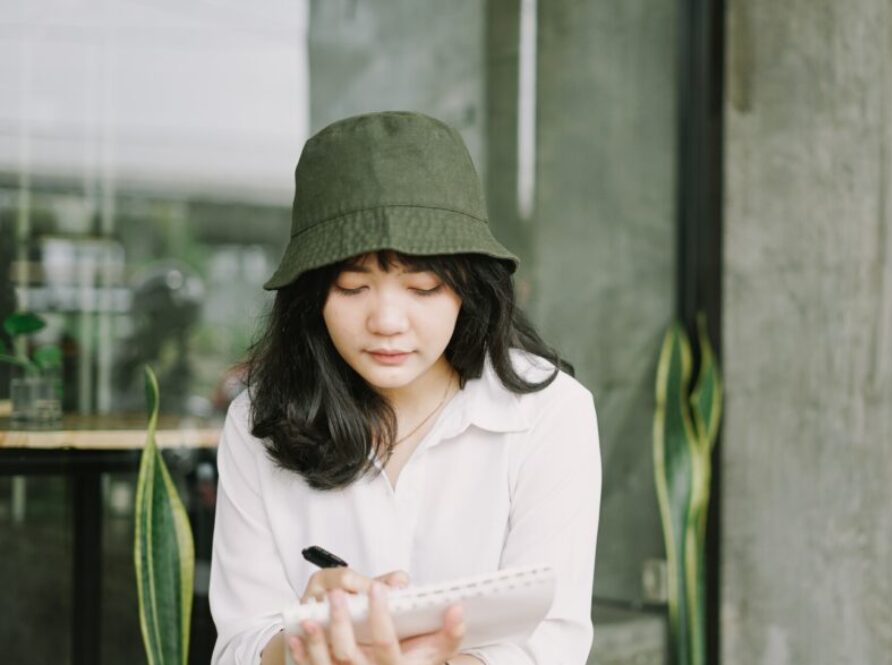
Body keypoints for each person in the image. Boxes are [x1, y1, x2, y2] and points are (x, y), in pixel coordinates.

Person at [209, 111, 602, 665]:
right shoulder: (260, 419)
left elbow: (551, 645)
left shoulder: (548, 413)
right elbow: (237, 647)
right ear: (312, 296)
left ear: (469, 288)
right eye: (353, 287)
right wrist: (298, 646)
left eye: (423, 287)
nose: (388, 321)